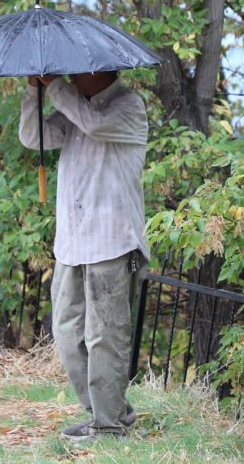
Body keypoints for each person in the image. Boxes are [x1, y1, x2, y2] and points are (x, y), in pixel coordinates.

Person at [20, 71, 149, 444]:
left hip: (112, 242)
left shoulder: (128, 106)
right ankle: (104, 413)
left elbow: (92, 124)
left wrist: (53, 86)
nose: (72, 73)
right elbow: (32, 137)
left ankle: (108, 428)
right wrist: (33, 89)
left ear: (101, 69)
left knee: (104, 337)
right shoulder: (75, 107)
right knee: (66, 331)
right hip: (73, 243)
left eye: (78, 68)